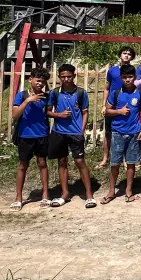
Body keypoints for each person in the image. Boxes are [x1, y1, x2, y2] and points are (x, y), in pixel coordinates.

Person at [46, 64, 95, 208]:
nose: (66, 79)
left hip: (75, 133)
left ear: (74, 76)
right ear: (59, 77)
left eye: (68, 76)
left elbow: (85, 112)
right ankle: (65, 193)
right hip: (59, 132)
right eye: (63, 77)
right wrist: (59, 115)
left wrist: (81, 130)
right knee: (62, 161)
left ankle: (89, 194)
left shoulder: (81, 93)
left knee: (79, 161)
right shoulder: (55, 93)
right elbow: (48, 111)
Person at [102, 64, 141, 204]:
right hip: (117, 132)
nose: (128, 79)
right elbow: (107, 111)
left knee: (131, 163)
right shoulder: (116, 93)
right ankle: (111, 191)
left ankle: (128, 190)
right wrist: (119, 111)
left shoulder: (140, 93)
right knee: (115, 163)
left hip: (134, 133)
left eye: (130, 77)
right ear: (121, 78)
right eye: (125, 77)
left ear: (135, 77)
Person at [10, 66, 51, 211]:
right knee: (23, 165)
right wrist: (28, 100)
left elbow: (49, 112)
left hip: (42, 135)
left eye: (43, 82)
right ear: (30, 79)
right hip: (25, 135)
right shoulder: (21, 96)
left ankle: (45, 194)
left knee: (42, 163)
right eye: (38, 80)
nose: (40, 84)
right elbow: (14, 115)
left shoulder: (46, 97)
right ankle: (19, 197)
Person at [98, 46, 135, 168]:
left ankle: (125, 159)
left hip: (126, 106)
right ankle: (105, 158)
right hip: (112, 106)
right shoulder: (112, 71)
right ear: (120, 55)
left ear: (132, 57)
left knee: (125, 133)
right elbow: (106, 88)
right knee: (108, 133)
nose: (126, 55)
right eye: (124, 53)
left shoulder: (133, 71)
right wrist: (103, 105)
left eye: (129, 54)